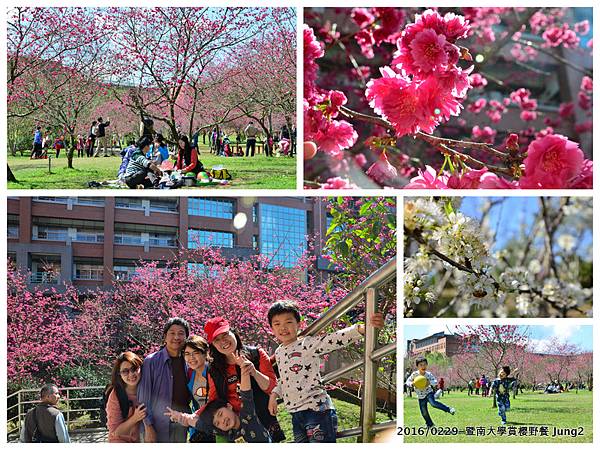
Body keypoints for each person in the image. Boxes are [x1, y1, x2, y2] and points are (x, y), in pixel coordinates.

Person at [266, 301, 385, 443]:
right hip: (296, 415)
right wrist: (274, 395)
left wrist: (359, 329)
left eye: (288, 322)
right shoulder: (279, 352)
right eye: (277, 324)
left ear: (299, 324)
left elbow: (332, 340)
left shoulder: (306, 344)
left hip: (316, 410)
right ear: (272, 328)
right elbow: (285, 378)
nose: (283, 328)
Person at [203, 316, 284, 441]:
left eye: (225, 335)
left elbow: (273, 388)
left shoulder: (256, 354)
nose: (223, 341)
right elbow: (214, 400)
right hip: (237, 426)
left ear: (233, 333)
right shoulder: (213, 369)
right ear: (213, 345)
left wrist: (254, 372)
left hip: (263, 417)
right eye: (216, 340)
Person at [166, 352, 271, 443]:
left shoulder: (247, 415)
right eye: (217, 423)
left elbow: (246, 394)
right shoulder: (224, 431)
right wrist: (179, 416)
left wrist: (243, 368)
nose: (222, 421)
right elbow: (200, 424)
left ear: (229, 406)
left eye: (220, 414)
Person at [137, 317, 191, 443]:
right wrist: (148, 426)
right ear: (165, 336)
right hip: (157, 425)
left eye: (181, 333)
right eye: (172, 333)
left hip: (180, 423)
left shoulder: (189, 361)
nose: (176, 337)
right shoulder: (151, 361)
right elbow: (143, 398)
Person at [106, 351, 147, 443]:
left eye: (134, 368)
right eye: (125, 371)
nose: (131, 374)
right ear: (119, 374)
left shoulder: (147, 389)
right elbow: (115, 432)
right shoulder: (116, 396)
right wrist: (135, 418)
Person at [405, 357, 455, 428]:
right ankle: (430, 424)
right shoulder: (414, 374)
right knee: (424, 412)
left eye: (425, 364)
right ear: (417, 366)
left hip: (428, 393)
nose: (423, 366)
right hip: (420, 396)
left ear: (427, 365)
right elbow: (407, 381)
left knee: (433, 403)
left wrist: (429, 382)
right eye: (421, 365)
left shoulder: (428, 374)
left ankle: (448, 409)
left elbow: (435, 381)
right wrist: (412, 383)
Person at [182, 336, 214, 443]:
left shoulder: (214, 372)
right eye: (187, 354)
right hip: (200, 426)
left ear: (205, 353)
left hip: (217, 425)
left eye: (195, 353)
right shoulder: (190, 374)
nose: (191, 357)